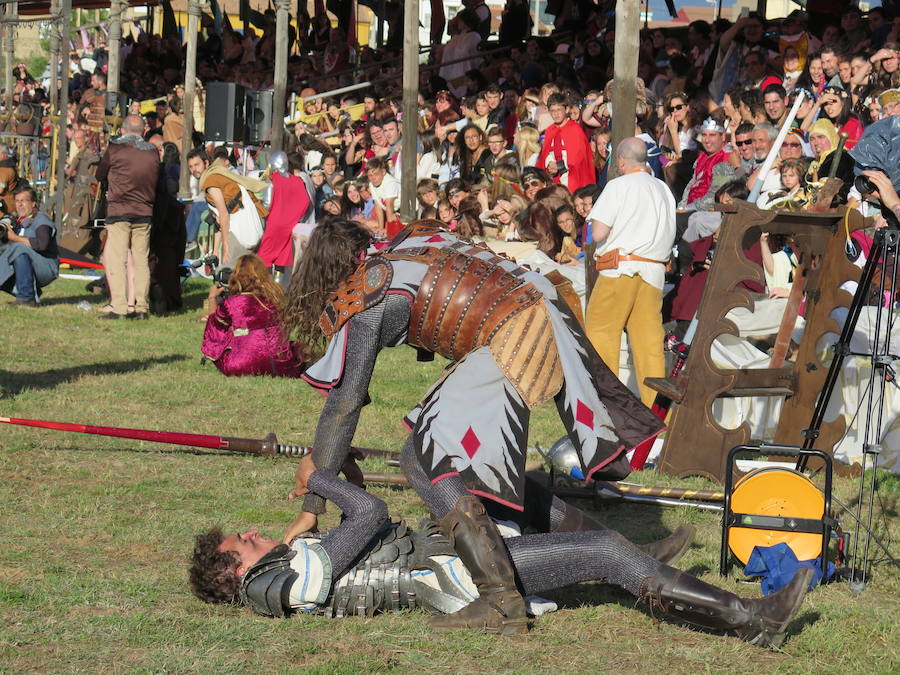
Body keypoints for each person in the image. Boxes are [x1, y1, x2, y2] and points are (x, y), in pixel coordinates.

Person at [278, 217, 664, 634]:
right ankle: (628, 553)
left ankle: (501, 600)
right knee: (457, 461)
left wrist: (313, 501)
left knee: (426, 456)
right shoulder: (412, 242)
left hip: (517, 329)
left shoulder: (368, 291)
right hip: (536, 309)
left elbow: (346, 399)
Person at [189, 464, 813, 649]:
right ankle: (754, 620)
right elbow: (373, 515)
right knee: (600, 553)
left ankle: (640, 556)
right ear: (236, 573)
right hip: (463, 576)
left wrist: (316, 505)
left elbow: (361, 529)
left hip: (455, 552)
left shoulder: (295, 565)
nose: (252, 535)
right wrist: (321, 481)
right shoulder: (281, 584)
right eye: (241, 544)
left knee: (515, 487)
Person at [584, 138, 676, 408]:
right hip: (653, 272)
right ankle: (658, 413)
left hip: (620, 268)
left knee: (601, 333)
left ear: (620, 161)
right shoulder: (663, 189)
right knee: (649, 343)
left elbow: (598, 233)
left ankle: (605, 405)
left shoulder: (618, 185)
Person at [94, 115, 160, 319]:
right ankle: (141, 307)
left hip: (119, 211)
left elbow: (99, 174)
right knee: (141, 260)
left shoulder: (115, 149)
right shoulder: (152, 152)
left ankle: (120, 307)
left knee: (117, 260)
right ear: (143, 131)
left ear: (123, 130)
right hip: (145, 212)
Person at [201, 254, 305, 377]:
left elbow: (214, 330)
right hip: (279, 364)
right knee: (297, 348)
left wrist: (212, 298)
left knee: (228, 340)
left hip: (240, 365)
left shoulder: (231, 303)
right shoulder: (276, 298)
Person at [198, 146, 269, 267]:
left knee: (228, 275)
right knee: (243, 275)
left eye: (196, 165)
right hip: (248, 225)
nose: (194, 169)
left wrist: (225, 246)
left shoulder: (211, 181)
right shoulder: (219, 177)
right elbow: (219, 221)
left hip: (242, 229)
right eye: (191, 166)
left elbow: (224, 214)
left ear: (206, 163)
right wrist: (215, 252)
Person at [0, 186, 59, 306]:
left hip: (47, 266)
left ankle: (26, 297)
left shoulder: (41, 219)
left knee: (18, 247)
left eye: (24, 201)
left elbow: (42, 244)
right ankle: (30, 292)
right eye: (17, 201)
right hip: (30, 265)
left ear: (33, 203)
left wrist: (15, 238)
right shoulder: (18, 221)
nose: (20, 204)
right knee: (10, 250)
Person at [536, 93, 594, 193]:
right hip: (553, 182)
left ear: (566, 110)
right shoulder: (550, 130)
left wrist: (559, 166)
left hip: (572, 181)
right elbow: (546, 154)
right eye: (552, 111)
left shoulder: (575, 130)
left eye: (559, 110)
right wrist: (549, 165)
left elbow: (579, 160)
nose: (556, 114)